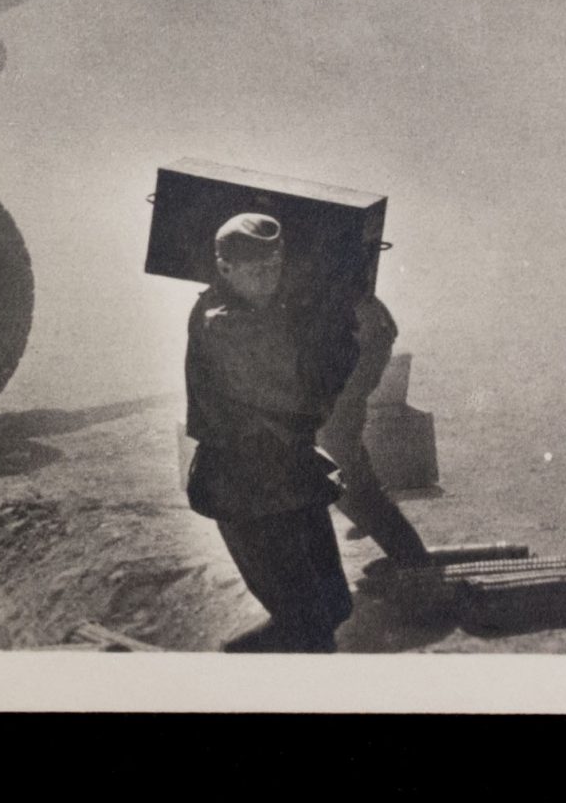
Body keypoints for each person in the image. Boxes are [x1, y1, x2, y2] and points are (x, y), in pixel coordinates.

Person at [183, 212, 360, 652]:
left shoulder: (267, 308)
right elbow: (301, 400)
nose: (269, 279)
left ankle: (238, 658)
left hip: (289, 474)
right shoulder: (223, 323)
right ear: (224, 267)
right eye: (256, 270)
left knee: (336, 606)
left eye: (275, 267)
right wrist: (339, 339)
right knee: (310, 630)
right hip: (243, 489)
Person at [320, 293, 432, 566]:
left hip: (356, 336)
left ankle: (412, 560)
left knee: (335, 457)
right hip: (356, 332)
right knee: (339, 448)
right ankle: (378, 518)